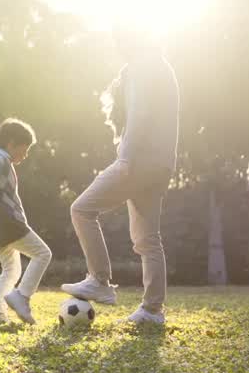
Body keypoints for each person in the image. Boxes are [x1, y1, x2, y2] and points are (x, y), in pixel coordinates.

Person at [62, 25, 180, 325]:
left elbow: (139, 113)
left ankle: (99, 281)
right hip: (162, 163)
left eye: (119, 39)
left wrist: (126, 156)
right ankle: (152, 311)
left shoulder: (141, 64)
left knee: (82, 209)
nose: (118, 46)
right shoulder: (162, 65)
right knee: (147, 239)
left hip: (139, 159)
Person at [0, 118, 52, 326]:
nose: (25, 155)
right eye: (24, 149)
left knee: (11, 271)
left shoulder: (0, 160)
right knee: (43, 254)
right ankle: (22, 296)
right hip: (8, 224)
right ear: (11, 144)